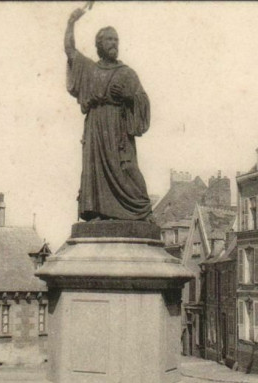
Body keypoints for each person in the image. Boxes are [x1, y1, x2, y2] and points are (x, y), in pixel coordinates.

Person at [64, 8, 153, 222]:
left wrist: (128, 96)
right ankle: (97, 212)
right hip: (96, 128)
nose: (114, 43)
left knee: (128, 168)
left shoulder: (127, 73)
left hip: (119, 131)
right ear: (99, 45)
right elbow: (70, 51)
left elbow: (143, 102)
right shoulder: (89, 69)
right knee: (94, 171)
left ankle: (142, 210)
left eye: (116, 40)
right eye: (109, 40)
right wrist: (71, 22)